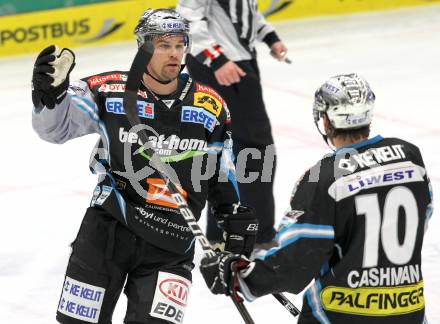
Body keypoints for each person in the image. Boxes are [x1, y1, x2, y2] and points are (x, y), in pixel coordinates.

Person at [31, 8, 258, 324]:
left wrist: (232, 216)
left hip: (173, 240)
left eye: (180, 45)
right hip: (107, 230)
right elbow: (55, 130)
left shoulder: (209, 105)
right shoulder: (108, 89)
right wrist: (49, 99)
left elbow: (221, 172)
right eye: (164, 45)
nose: (174, 54)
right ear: (143, 47)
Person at [199, 73, 433, 323]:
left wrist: (239, 277)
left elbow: (296, 257)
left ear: (325, 119)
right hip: (410, 313)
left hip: (339, 316)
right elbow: (422, 215)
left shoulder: (323, 176)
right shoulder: (409, 155)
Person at [176, 0, 289, 249]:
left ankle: (224, 230)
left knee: (226, 148)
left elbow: (248, 14)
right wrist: (217, 60)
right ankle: (255, 234)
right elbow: (187, 19)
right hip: (222, 66)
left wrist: (270, 38)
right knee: (254, 148)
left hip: (234, 61)